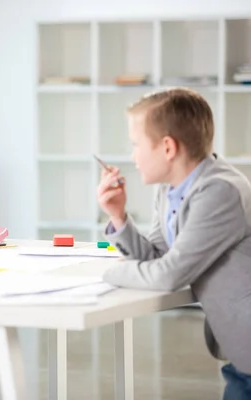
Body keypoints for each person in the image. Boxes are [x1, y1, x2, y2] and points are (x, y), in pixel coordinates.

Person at [97, 87, 251, 400]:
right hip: (241, 352)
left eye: (137, 144)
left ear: (167, 147)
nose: (133, 156)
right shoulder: (171, 190)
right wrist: (119, 217)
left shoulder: (220, 192)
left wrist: (106, 273)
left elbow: (169, 274)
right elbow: (156, 255)